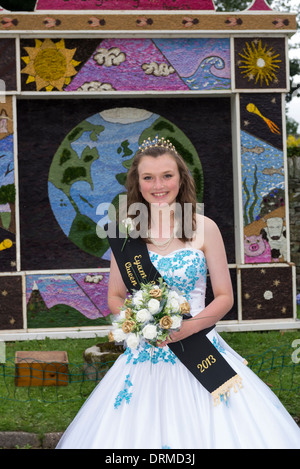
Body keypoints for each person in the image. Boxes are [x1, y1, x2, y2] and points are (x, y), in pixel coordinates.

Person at [57, 137, 300, 449]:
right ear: (137, 183)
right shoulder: (125, 233)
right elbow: (115, 296)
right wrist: (141, 325)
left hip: (201, 349)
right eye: (148, 177)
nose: (159, 185)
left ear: (181, 178)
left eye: (167, 176)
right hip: (146, 353)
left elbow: (225, 296)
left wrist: (189, 327)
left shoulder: (205, 228)